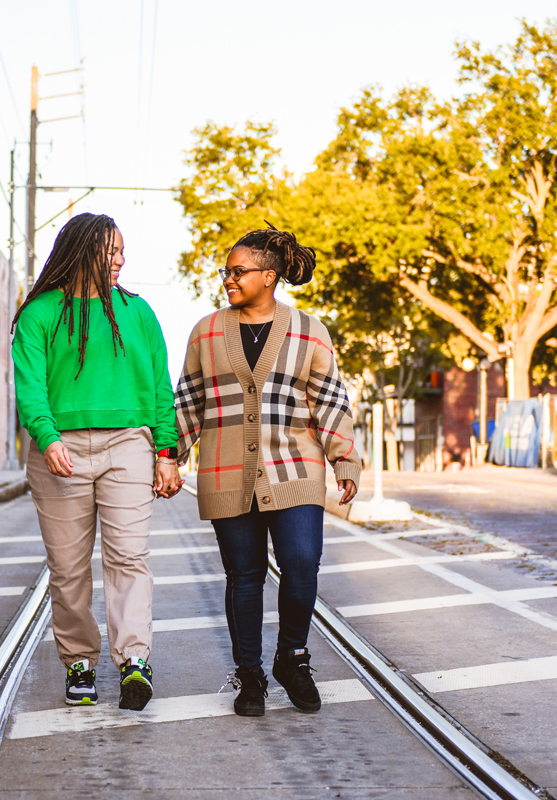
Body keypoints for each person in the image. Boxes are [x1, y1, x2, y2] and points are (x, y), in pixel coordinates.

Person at [174, 223, 360, 717]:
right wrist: (169, 458)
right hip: (227, 469)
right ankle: (250, 674)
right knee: (244, 576)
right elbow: (189, 402)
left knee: (302, 563)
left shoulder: (308, 331)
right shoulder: (207, 331)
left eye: (238, 272)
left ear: (269, 276)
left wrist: (345, 460)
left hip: (295, 466)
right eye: (226, 272)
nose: (228, 280)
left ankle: (292, 657)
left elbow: (330, 401)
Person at [11, 213, 182, 710]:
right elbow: (30, 387)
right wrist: (47, 438)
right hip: (59, 451)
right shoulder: (41, 313)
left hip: (129, 445)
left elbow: (159, 388)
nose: (120, 260)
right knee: (67, 569)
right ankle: (79, 662)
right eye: (111, 252)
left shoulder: (138, 312)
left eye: (122, 251)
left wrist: (166, 453)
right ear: (83, 251)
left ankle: (134, 661)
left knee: (129, 557)